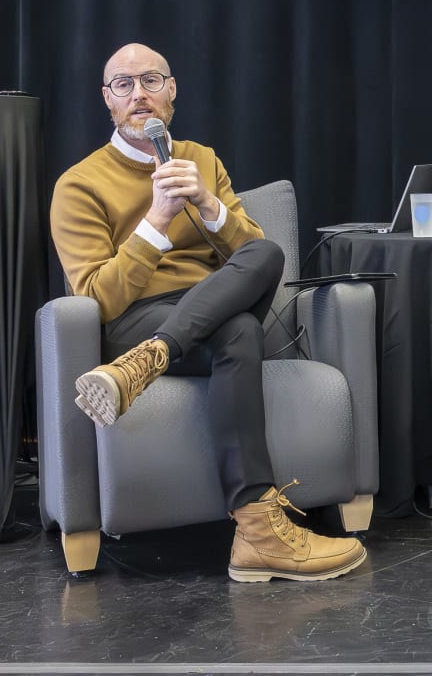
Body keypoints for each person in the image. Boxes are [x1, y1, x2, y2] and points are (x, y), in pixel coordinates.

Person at [49, 42, 366, 583]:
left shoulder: (202, 160)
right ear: (108, 100)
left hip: (196, 319)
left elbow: (255, 256)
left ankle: (148, 364)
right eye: (123, 85)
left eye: (151, 80)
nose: (139, 95)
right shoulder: (79, 184)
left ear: (172, 91)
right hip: (135, 320)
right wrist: (155, 220)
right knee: (239, 331)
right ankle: (259, 536)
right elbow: (96, 297)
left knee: (264, 254)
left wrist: (210, 207)